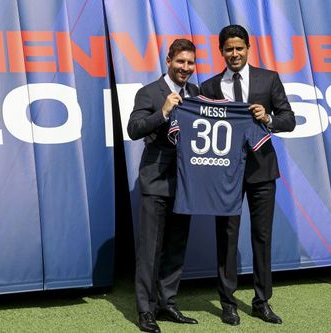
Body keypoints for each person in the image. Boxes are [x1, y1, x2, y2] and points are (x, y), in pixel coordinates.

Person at [200, 25, 296, 326]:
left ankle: (261, 301)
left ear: (248, 48)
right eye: (228, 49)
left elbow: (288, 119)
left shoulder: (269, 79)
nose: (234, 53)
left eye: (239, 48)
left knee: (262, 236)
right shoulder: (209, 87)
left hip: (262, 169)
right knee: (226, 236)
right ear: (221, 52)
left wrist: (266, 117)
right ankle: (228, 302)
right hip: (225, 174)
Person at [127, 39, 199, 333]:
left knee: (176, 246)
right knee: (150, 249)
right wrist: (164, 112)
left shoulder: (196, 92)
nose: (185, 68)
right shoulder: (149, 92)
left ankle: (167, 303)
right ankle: (146, 310)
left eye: (190, 63)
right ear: (168, 60)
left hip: (186, 183)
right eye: (180, 62)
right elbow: (134, 129)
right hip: (156, 180)